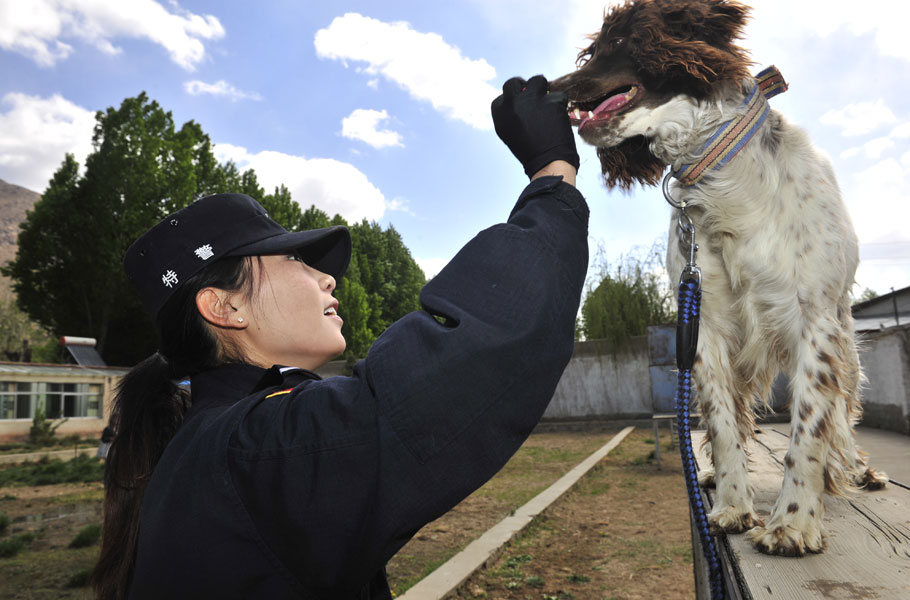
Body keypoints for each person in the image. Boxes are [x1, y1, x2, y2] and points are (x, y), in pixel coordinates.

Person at [92, 74, 588, 600]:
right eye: (293, 259)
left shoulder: (212, 446)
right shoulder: (254, 448)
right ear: (224, 306)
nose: (328, 278)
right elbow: (466, 359)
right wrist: (551, 173)